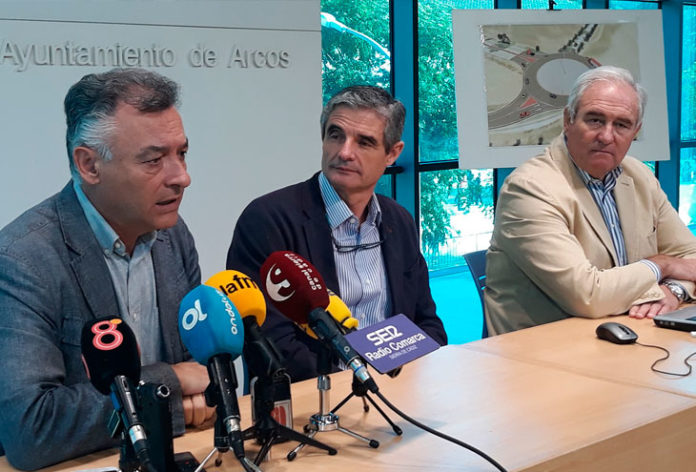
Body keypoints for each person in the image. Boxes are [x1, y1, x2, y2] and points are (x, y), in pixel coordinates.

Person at [0, 68, 214, 470]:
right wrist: (166, 385)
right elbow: (30, 429)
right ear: (89, 165)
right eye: (154, 160)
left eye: (181, 154)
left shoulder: (173, 236)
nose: (182, 177)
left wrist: (186, 392)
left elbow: (199, 378)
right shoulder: (22, 259)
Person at [227, 85, 447, 382]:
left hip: (397, 388)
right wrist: (356, 383)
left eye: (364, 142)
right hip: (317, 395)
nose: (344, 152)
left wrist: (401, 381)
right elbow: (271, 345)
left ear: (392, 153)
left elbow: (428, 324)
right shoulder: (268, 219)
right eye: (335, 135)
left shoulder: (399, 221)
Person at [485, 66, 696, 336]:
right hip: (546, 349)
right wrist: (662, 265)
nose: (606, 136)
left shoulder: (639, 176)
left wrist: (675, 289)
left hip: (630, 335)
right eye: (595, 120)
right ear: (568, 120)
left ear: (636, 131)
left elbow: (690, 257)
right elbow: (587, 294)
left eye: (621, 125)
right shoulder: (529, 188)